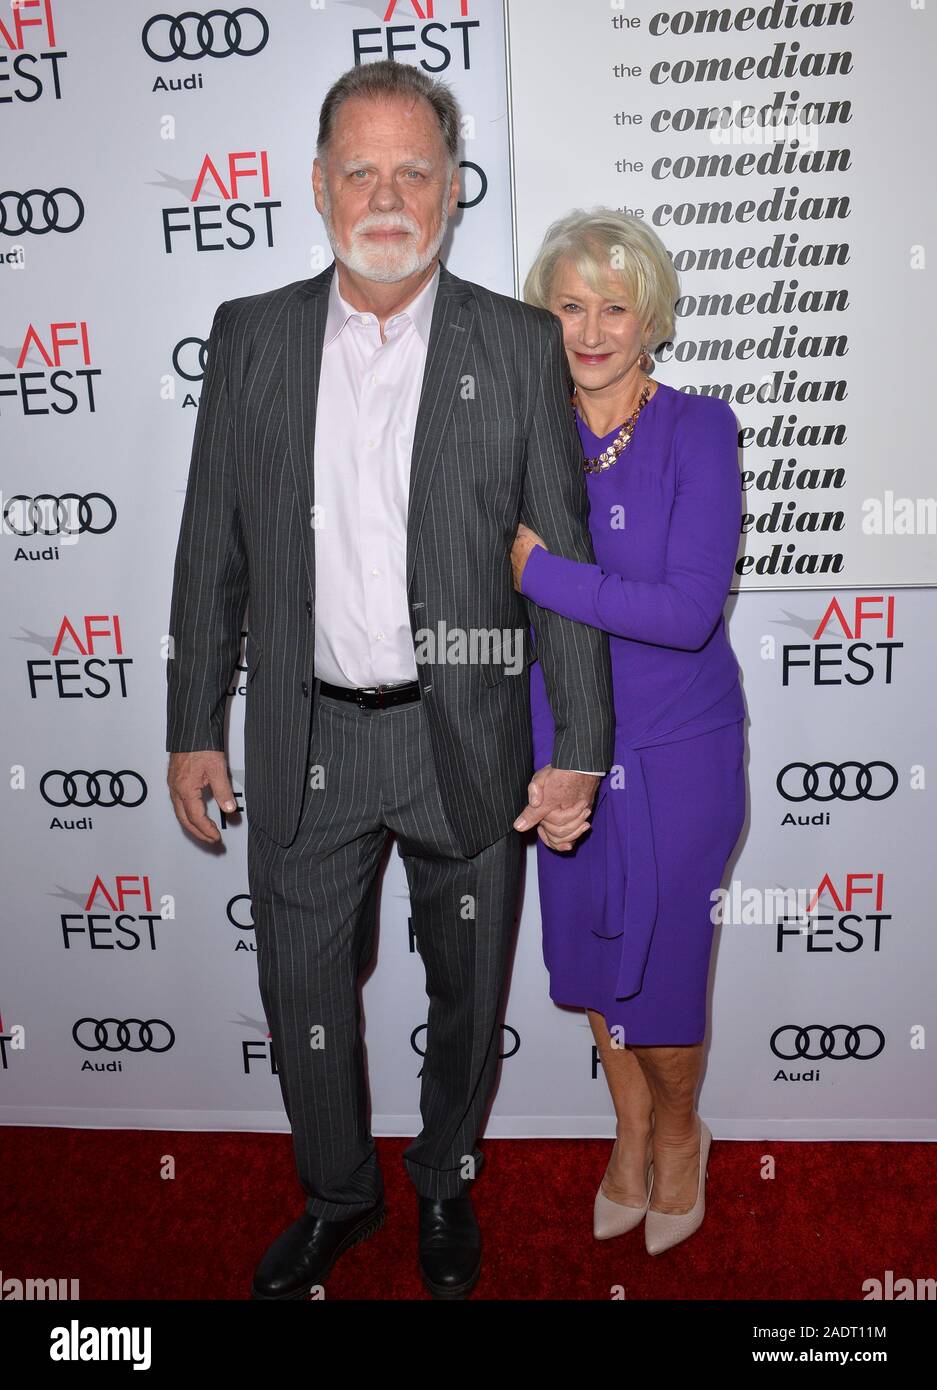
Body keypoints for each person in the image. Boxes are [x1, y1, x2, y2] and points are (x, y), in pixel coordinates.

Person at [165, 61, 613, 1299]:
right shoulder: (250, 337)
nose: (386, 193)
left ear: (453, 190)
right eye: (359, 168)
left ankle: (444, 1182)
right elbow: (214, 545)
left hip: (461, 735)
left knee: (469, 993)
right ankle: (338, 1195)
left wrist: (577, 738)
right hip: (304, 736)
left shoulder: (518, 345)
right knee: (302, 988)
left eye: (413, 169)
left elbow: (559, 557)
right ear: (316, 185)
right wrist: (192, 721)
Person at [511, 209, 746, 1254]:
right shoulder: (526, 434)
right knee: (595, 959)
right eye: (569, 305)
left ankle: (682, 1132)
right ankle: (631, 1125)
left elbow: (688, 609)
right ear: (542, 315)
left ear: (651, 316)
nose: (592, 327)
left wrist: (539, 570)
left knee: (662, 963)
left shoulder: (699, 428)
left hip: (677, 752)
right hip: (562, 747)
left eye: (614, 305)